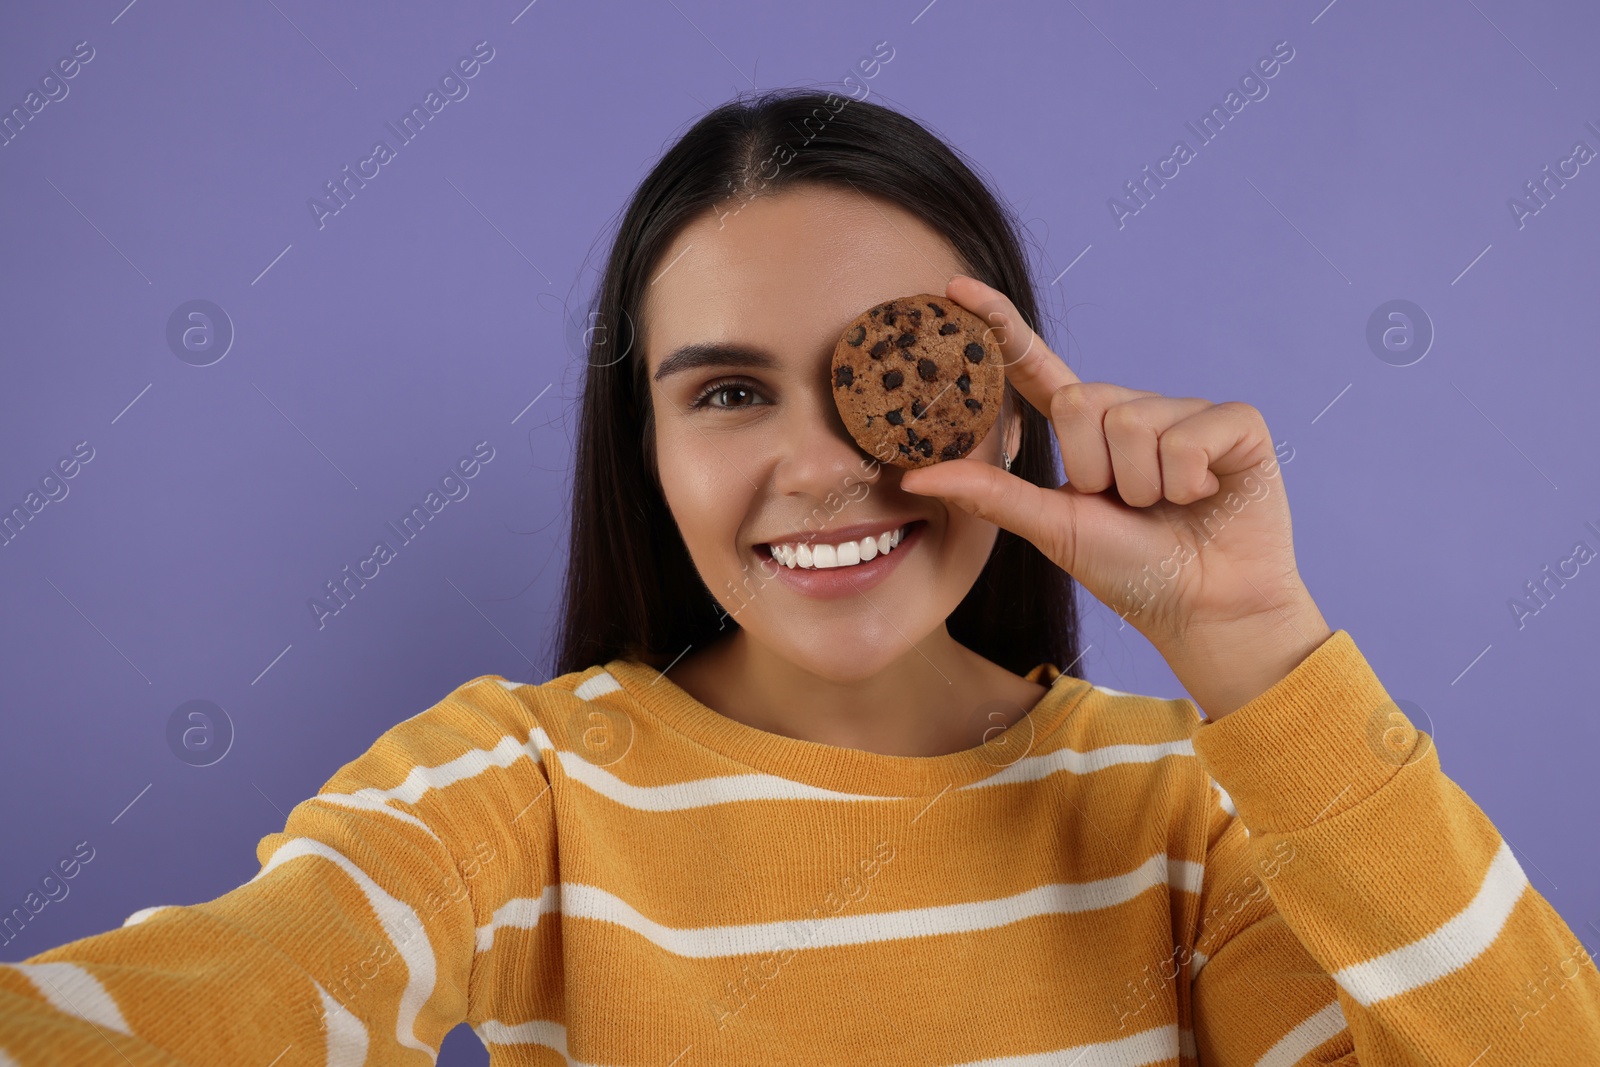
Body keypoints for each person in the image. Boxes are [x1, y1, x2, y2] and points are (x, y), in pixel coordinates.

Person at [2, 87, 1596, 1066]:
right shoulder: (519, 789)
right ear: (644, 446)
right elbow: (243, 990)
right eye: (728, 392)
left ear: (1009, 392)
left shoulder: (1182, 815)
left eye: (879, 374)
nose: (825, 465)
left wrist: (1260, 648)